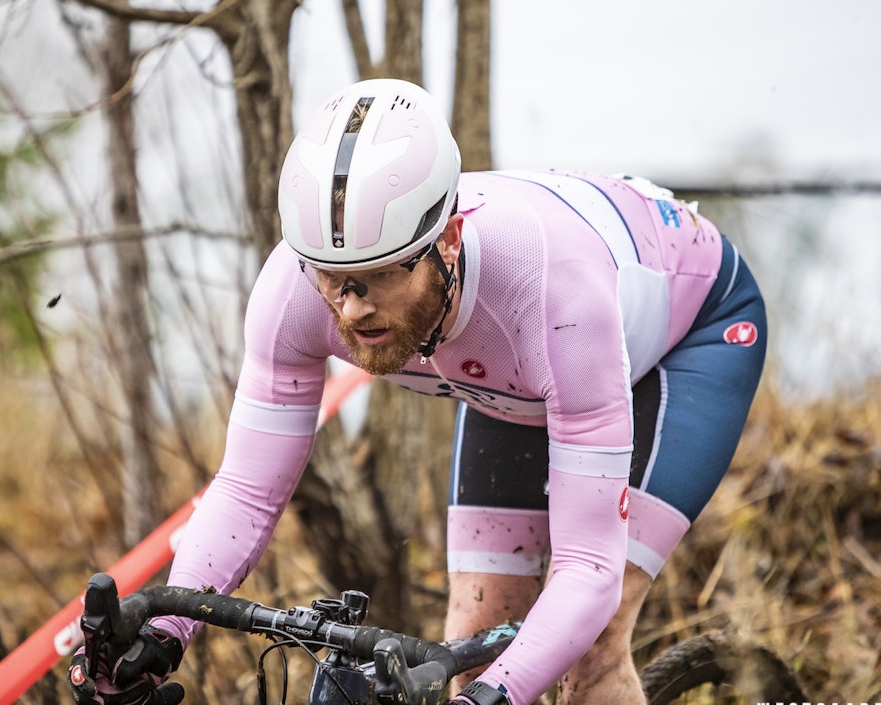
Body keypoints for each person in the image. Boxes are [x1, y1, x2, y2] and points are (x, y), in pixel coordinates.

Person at [68, 78, 767, 705]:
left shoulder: (557, 294)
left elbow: (588, 569)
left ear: (450, 241)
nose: (350, 307)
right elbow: (247, 491)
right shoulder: (294, 287)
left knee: (589, 647)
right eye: (329, 276)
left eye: (377, 276)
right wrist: (163, 633)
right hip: (521, 382)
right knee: (467, 649)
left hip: (691, 338)